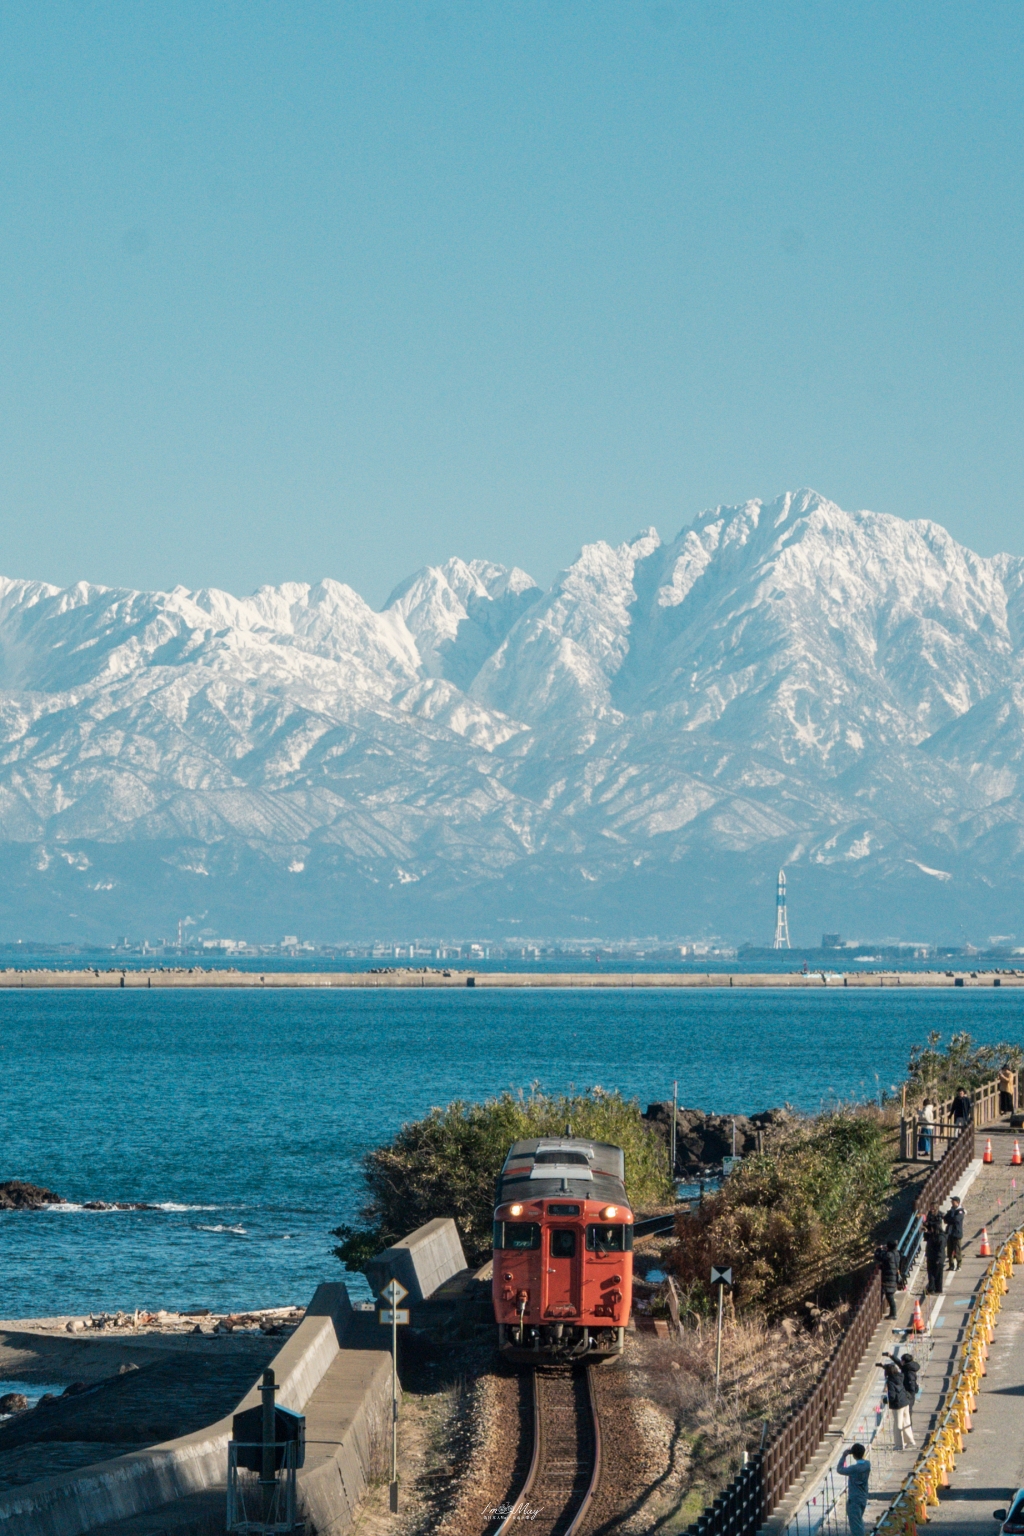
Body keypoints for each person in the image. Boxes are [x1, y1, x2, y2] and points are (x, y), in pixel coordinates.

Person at [837, 1444, 871, 1536]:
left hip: (854, 1500)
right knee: (859, 1522)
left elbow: (839, 1469)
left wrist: (844, 1456)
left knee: (856, 1526)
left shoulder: (853, 1469)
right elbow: (861, 1460)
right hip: (863, 1497)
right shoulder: (867, 1464)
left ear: (853, 1455)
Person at [882, 1360, 916, 1450]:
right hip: (905, 1401)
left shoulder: (890, 1381)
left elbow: (892, 1395)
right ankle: (910, 1441)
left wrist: (887, 1400)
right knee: (906, 1422)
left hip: (898, 1405)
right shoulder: (901, 1376)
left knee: (898, 1425)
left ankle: (899, 1444)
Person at [876, 1239, 900, 1319]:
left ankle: (893, 1314)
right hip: (894, 1275)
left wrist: (878, 1249)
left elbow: (879, 1257)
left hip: (889, 1277)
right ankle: (892, 1314)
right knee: (890, 1295)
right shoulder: (896, 1253)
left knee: (889, 1296)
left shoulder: (889, 1255)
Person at [924, 1209, 945, 1294]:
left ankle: (935, 1288)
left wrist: (938, 1259)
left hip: (936, 1258)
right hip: (932, 1257)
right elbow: (926, 1237)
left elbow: (941, 1249)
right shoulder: (935, 1236)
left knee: (935, 1274)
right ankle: (934, 1288)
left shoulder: (940, 1238)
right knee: (933, 1274)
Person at [944, 1197, 965, 1271]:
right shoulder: (951, 1211)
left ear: (958, 1202)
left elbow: (956, 1220)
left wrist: (950, 1220)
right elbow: (945, 1218)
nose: (952, 1203)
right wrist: (949, 1219)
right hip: (950, 1233)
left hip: (957, 1233)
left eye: (954, 1202)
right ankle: (951, 1265)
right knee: (950, 1250)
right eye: (952, 1202)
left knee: (957, 1250)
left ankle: (959, 1265)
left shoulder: (960, 1211)